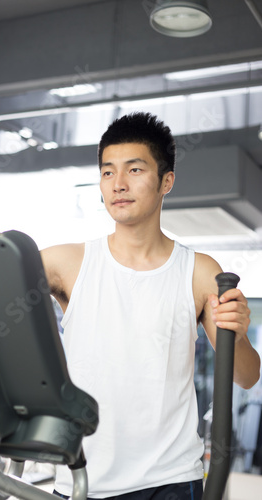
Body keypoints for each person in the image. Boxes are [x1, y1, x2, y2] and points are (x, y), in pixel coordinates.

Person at [40, 112, 261, 500]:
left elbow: (245, 376)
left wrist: (239, 336)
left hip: (168, 481)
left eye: (135, 169)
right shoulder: (66, 263)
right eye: (107, 173)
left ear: (166, 181)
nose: (118, 184)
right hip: (79, 479)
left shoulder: (199, 272)